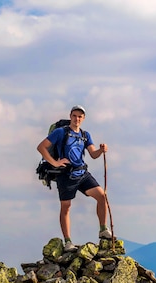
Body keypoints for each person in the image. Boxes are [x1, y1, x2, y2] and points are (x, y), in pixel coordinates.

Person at [37, 105, 112, 251]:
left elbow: (93, 154)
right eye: (75, 116)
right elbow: (41, 147)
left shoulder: (85, 135)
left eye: (80, 116)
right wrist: (55, 163)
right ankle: (68, 242)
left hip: (82, 173)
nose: (77, 119)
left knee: (102, 195)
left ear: (83, 119)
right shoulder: (60, 132)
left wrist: (101, 150)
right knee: (66, 207)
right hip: (65, 175)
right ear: (70, 116)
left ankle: (103, 229)